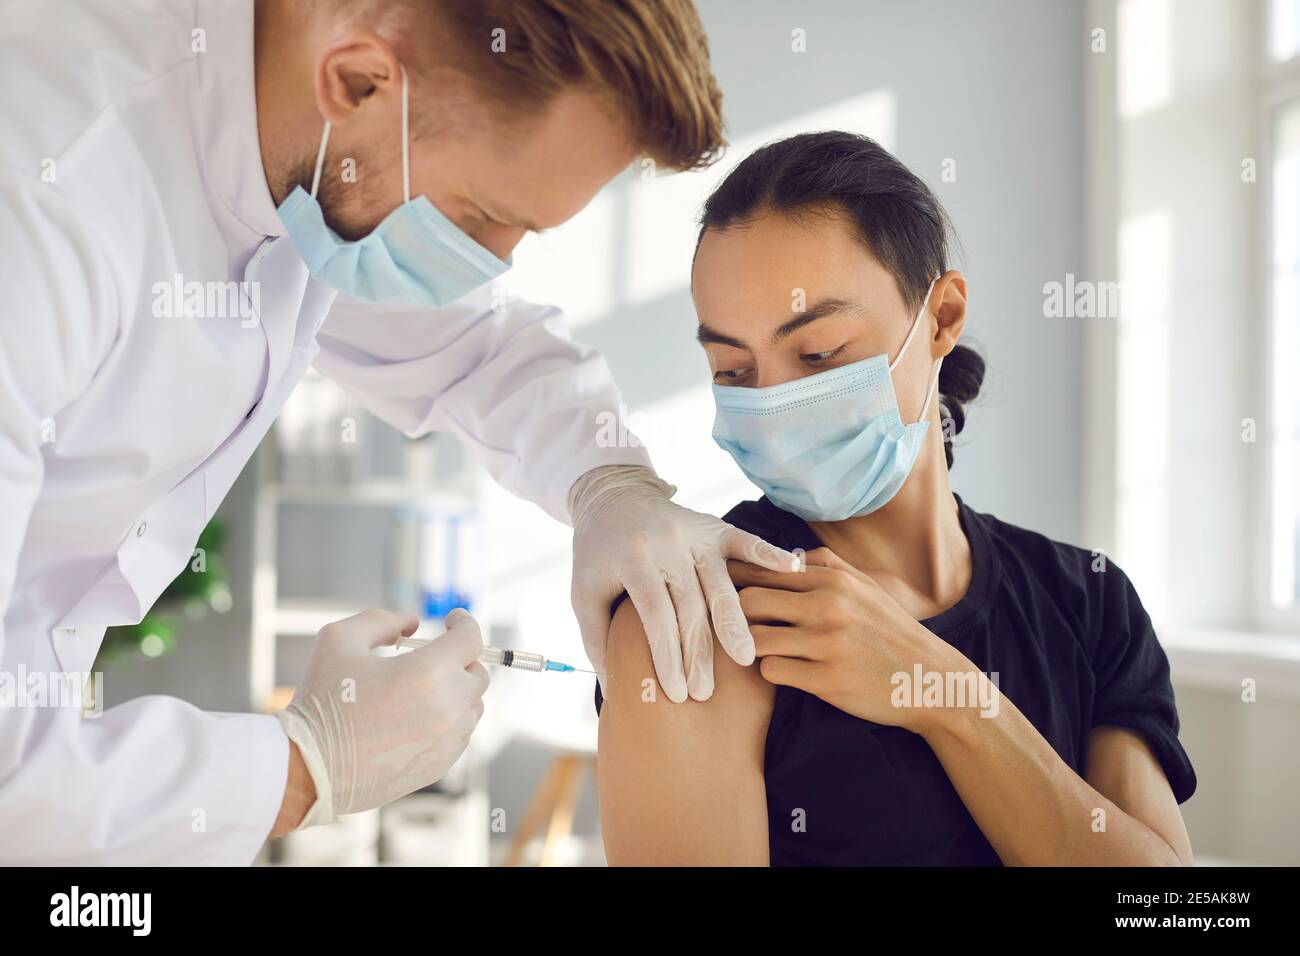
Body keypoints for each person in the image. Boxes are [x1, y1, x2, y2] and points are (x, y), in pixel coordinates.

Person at [0, 0, 795, 864]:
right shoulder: (42, 193)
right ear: (357, 78)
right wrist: (304, 765)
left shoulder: (318, 157)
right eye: (486, 216)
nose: (493, 260)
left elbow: (480, 341)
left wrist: (613, 485)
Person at [596, 131, 1197, 866]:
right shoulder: (705, 618)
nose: (777, 404)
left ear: (942, 316)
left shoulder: (1088, 601)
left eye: (819, 354)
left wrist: (951, 699)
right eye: (732, 369)